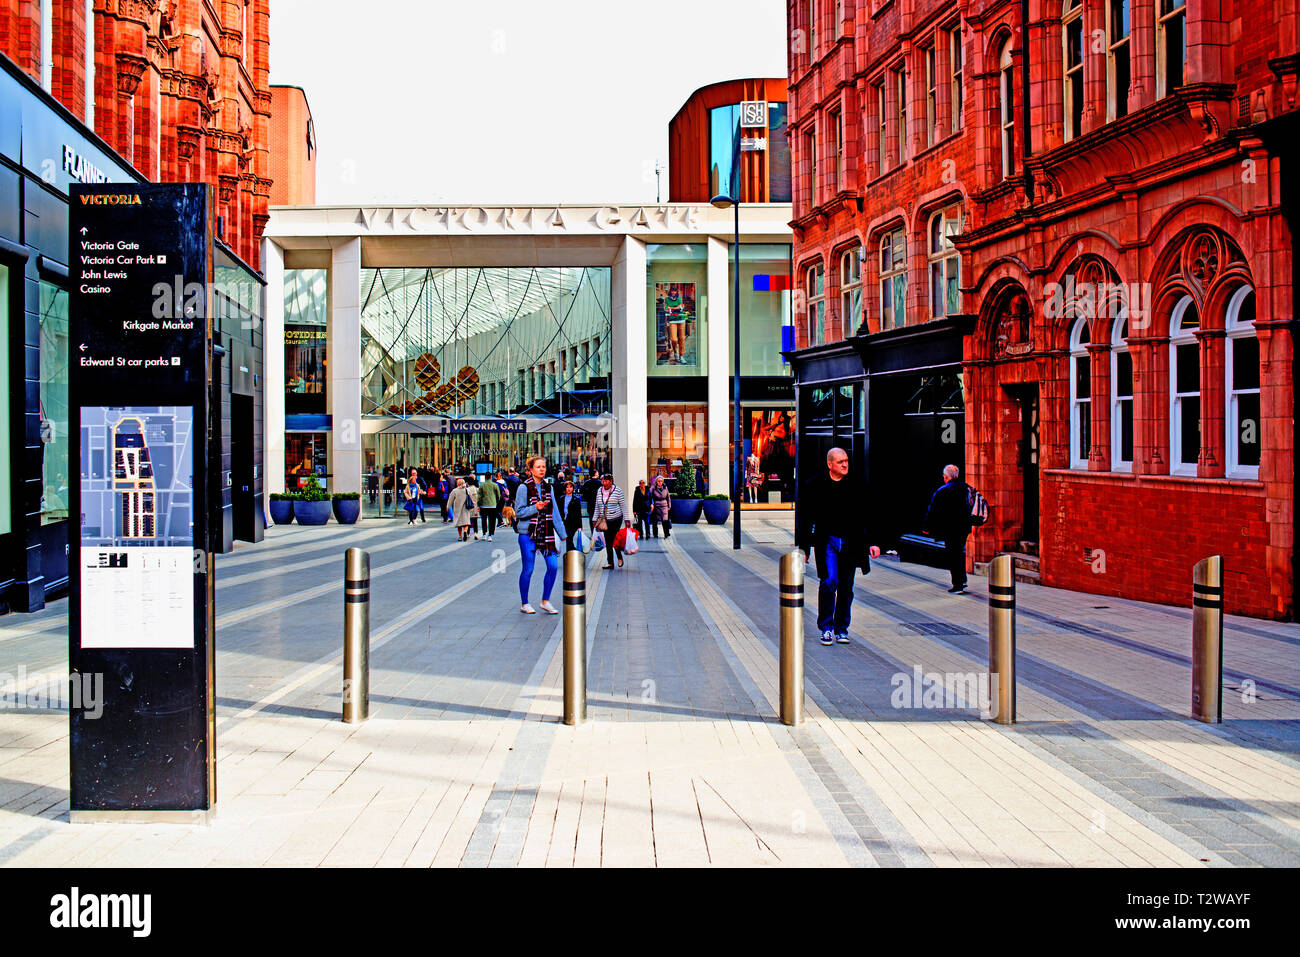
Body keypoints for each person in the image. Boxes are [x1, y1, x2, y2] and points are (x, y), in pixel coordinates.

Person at [796, 447, 881, 646]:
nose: (845, 465)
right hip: (827, 542)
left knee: (846, 587)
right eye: (840, 462)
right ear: (830, 464)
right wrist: (804, 550)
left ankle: (841, 628)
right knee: (829, 581)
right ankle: (826, 627)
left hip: (850, 542)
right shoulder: (816, 485)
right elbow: (806, 520)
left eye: (846, 461)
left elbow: (869, 514)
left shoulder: (856, 485)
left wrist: (874, 542)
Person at [513, 456, 565, 614]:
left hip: (547, 532)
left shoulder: (549, 488)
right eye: (538, 467)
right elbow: (519, 512)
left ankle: (545, 601)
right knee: (528, 569)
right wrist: (536, 507)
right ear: (530, 470)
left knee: (553, 566)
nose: (542, 469)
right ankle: (525, 603)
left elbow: (555, 512)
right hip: (528, 534)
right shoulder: (523, 487)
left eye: (543, 466)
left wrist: (563, 534)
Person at [923, 464, 974, 595]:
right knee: (959, 553)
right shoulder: (966, 488)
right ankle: (961, 580)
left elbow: (932, 510)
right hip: (964, 527)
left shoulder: (943, 490)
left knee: (953, 555)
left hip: (950, 529)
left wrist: (927, 527)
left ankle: (958, 584)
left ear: (946, 477)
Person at [593, 473, 628, 569]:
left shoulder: (617, 491)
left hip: (616, 519)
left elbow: (623, 506)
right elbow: (597, 506)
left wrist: (627, 519)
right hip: (605, 520)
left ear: (611, 481)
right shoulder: (599, 491)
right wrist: (594, 519)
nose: (603, 483)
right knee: (608, 541)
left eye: (605, 481)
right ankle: (610, 562)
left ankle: (619, 558)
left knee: (614, 540)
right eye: (602, 481)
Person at [559, 480, 585, 551]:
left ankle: (572, 551)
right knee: (568, 538)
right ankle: (570, 552)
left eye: (570, 487)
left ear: (573, 488)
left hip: (573, 522)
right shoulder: (561, 498)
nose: (569, 489)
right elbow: (559, 510)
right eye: (567, 487)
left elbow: (578, 513)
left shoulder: (576, 499)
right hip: (565, 521)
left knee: (569, 537)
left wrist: (580, 526)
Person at [477, 471, 501, 541]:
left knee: (484, 520)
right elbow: (498, 496)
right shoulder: (495, 485)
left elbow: (479, 496)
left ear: (485, 477)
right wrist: (495, 502)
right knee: (492, 520)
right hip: (492, 505)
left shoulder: (482, 485)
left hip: (483, 505)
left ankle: (484, 534)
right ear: (490, 477)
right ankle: (490, 534)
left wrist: (479, 504)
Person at [648, 474, 671, 538]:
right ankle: (655, 534)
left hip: (664, 505)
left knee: (665, 520)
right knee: (655, 521)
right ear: (656, 481)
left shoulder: (665, 487)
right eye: (658, 481)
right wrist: (651, 504)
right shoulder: (653, 488)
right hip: (656, 505)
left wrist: (669, 506)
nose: (660, 482)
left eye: (661, 481)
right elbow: (650, 497)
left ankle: (666, 533)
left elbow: (668, 497)